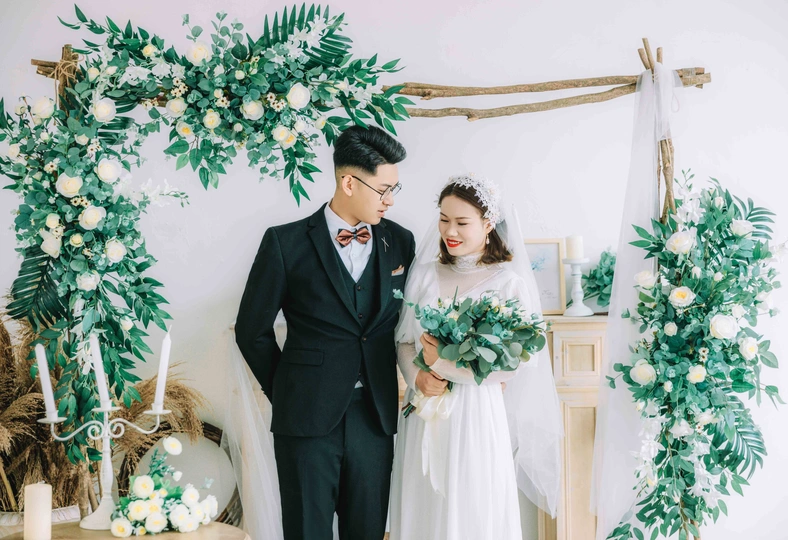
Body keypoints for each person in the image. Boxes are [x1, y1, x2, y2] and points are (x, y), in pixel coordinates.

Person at [235, 125, 415, 540]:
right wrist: (287, 390)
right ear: (348, 182)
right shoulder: (284, 242)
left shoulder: (401, 242)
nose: (390, 200)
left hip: (375, 417)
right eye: (383, 189)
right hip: (305, 419)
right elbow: (251, 330)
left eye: (394, 189)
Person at [389, 174, 563, 540]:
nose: (449, 231)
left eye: (461, 222)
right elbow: (404, 342)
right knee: (424, 505)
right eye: (443, 219)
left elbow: (513, 365)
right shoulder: (424, 275)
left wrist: (441, 364)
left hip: (476, 414)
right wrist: (417, 377)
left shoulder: (508, 284)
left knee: (473, 506)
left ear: (488, 224)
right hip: (424, 410)